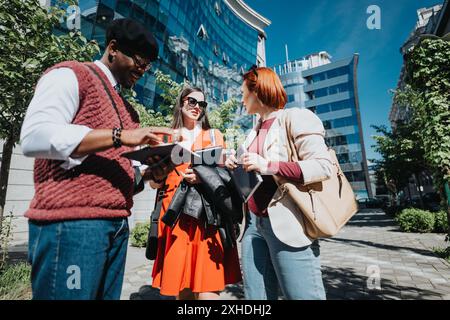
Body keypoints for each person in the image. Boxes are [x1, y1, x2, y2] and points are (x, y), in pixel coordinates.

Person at [20, 18, 176, 300]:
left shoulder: (129, 111)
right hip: (74, 226)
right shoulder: (72, 74)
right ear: (113, 49)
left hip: (116, 228)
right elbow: (34, 136)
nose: (143, 71)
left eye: (148, 66)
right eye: (140, 61)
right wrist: (118, 136)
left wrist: (151, 174)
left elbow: (117, 171)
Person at [225, 66, 333, 300]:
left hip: (286, 224)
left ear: (257, 90)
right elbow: (252, 176)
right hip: (253, 226)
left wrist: (268, 165)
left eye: (243, 92)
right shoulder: (251, 132)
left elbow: (324, 167)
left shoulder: (296, 118)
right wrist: (236, 164)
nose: (241, 99)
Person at [150, 87, 242, 300]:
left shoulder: (213, 135)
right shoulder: (165, 136)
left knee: (209, 285)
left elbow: (223, 177)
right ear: (181, 102)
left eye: (202, 104)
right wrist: (155, 173)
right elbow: (156, 185)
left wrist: (203, 176)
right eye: (192, 101)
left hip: (206, 216)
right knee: (182, 287)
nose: (197, 107)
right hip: (174, 215)